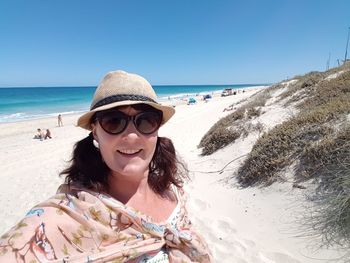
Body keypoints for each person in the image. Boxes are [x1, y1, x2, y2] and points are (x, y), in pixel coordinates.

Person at [0, 70, 212, 262]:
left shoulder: (175, 192)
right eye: (113, 121)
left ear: (157, 129)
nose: (131, 135)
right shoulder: (67, 215)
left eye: (146, 120)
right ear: (95, 132)